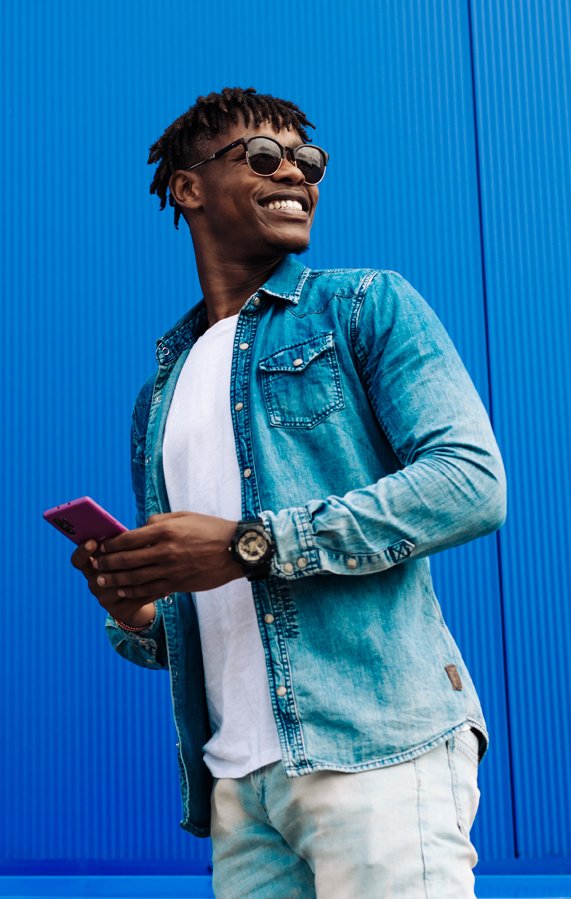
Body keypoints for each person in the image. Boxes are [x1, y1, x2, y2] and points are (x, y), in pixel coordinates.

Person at [71, 87, 506, 898]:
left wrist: (250, 542)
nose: (295, 175)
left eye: (309, 161)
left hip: (376, 748)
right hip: (241, 781)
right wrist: (138, 609)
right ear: (187, 186)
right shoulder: (160, 390)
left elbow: (471, 482)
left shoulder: (363, 306)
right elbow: (214, 613)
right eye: (263, 157)